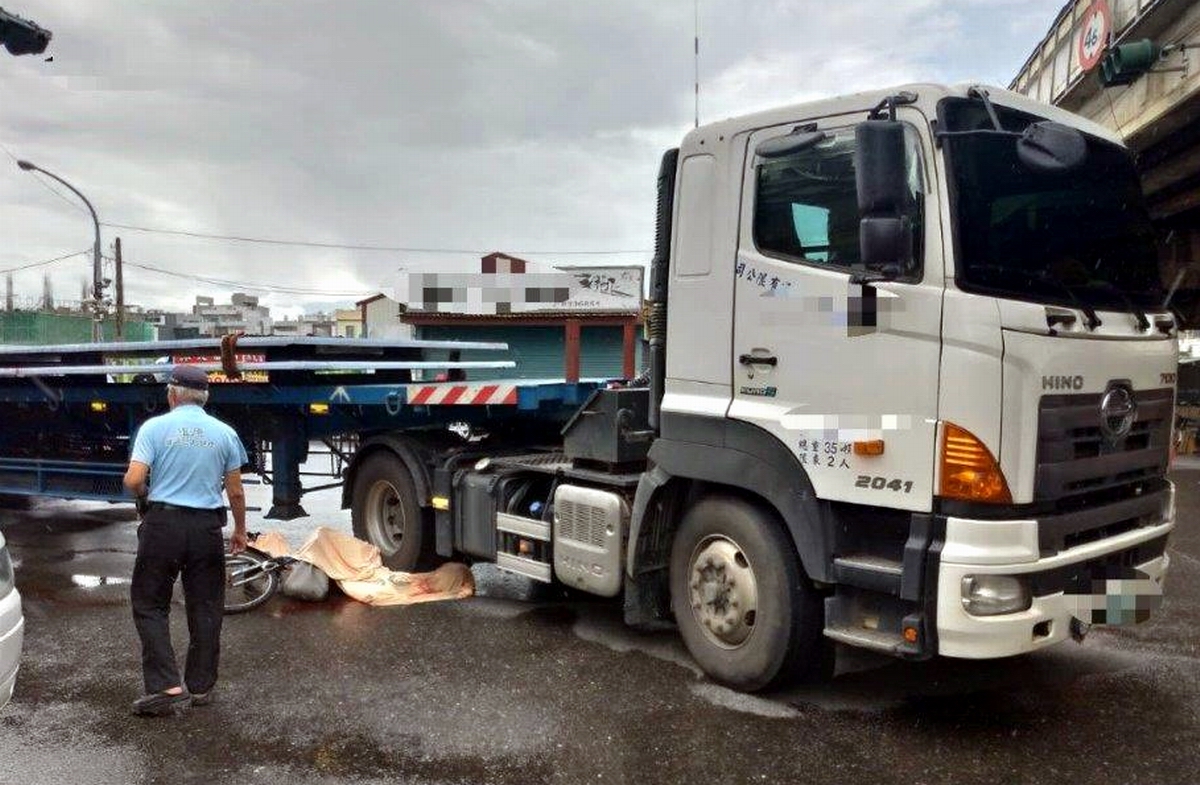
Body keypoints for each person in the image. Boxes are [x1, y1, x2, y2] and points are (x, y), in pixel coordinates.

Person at [122, 364, 248, 717]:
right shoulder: (225, 433)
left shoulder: (154, 428)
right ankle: (201, 686)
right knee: (206, 606)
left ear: (172, 394)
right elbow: (236, 492)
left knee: (150, 603)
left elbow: (133, 479)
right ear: (205, 397)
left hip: (163, 525)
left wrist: (144, 494)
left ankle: (166, 685)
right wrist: (239, 530)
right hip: (206, 528)